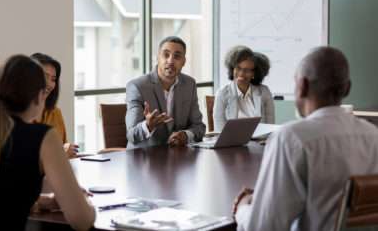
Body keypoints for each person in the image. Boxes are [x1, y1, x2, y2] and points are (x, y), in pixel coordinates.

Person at [233, 47, 378, 231]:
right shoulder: (374, 136)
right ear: (347, 88)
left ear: (302, 86)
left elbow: (263, 227)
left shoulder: (292, 138)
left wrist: (243, 208)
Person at [0, 55, 95, 231]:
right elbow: (82, 221)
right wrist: (88, 204)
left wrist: (43, 202)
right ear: (40, 96)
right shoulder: (43, 137)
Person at [125, 36, 206, 149]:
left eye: (177, 56)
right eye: (166, 55)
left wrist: (185, 135)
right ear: (158, 58)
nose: (171, 61)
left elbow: (199, 127)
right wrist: (147, 126)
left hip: (178, 158)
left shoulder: (189, 84)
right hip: (143, 159)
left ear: (184, 61)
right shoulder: (137, 86)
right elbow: (131, 135)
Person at [213, 46, 274, 132]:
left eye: (247, 70)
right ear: (232, 68)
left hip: (259, 142)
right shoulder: (222, 93)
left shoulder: (264, 92)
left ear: (254, 73)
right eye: (238, 68)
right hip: (231, 142)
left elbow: (270, 126)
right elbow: (219, 130)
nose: (241, 73)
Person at [31, 53, 78, 158]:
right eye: (44, 76)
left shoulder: (55, 113)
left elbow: (64, 149)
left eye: (53, 79)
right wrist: (60, 154)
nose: (49, 84)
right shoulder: (15, 115)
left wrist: (67, 150)